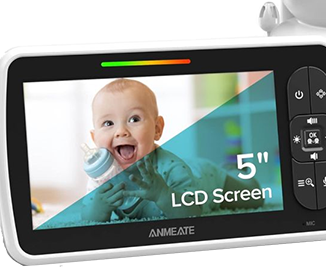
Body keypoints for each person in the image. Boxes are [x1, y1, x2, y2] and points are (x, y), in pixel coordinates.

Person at [82, 78, 262, 223]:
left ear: (157, 129)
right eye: (108, 123)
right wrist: (98, 207)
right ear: (94, 138)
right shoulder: (102, 176)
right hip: (190, 168)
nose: (121, 131)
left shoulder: (171, 167)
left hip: (206, 178)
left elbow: (193, 212)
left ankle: (230, 170)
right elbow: (87, 217)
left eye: (134, 119)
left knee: (252, 197)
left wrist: (163, 194)